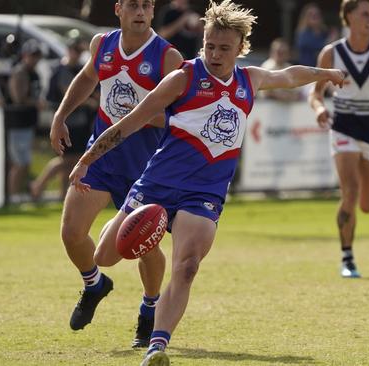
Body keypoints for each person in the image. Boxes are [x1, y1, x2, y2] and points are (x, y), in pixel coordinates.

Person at [68, 1, 345, 364]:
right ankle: (122, 223)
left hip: (204, 193)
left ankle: (157, 346)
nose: (215, 54)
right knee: (106, 255)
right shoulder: (183, 77)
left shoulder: (250, 79)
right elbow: (132, 121)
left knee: (187, 267)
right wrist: (86, 160)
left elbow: (289, 76)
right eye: (210, 45)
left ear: (240, 49)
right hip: (156, 184)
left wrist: (325, 73)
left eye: (224, 48)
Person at [49, 0, 184, 348]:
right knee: (71, 232)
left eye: (147, 5)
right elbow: (87, 77)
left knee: (144, 244)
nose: (140, 12)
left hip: (146, 164)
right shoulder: (102, 45)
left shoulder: (168, 58)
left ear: (153, 12)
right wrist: (61, 115)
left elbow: (179, 116)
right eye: (133, 5)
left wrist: (136, 116)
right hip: (102, 156)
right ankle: (94, 284)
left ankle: (150, 307)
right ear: (118, 9)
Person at [309, 0, 369, 278]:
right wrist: (319, 109)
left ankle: (349, 246)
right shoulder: (332, 53)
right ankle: (347, 257)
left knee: (367, 204)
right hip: (344, 128)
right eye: (365, 13)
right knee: (349, 190)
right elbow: (316, 93)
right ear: (348, 16)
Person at [31, 37, 96, 201]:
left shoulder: (76, 68)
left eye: (80, 51)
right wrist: (91, 102)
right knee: (67, 160)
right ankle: (38, 185)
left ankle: (62, 194)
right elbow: (71, 92)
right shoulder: (63, 70)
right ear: (69, 50)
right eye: (75, 50)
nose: (77, 54)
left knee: (72, 161)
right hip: (68, 122)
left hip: (79, 122)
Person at [5, 39, 44, 201]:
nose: (34, 59)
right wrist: (36, 103)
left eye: (37, 56)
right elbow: (18, 98)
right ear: (24, 55)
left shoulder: (35, 73)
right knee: (18, 163)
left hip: (28, 122)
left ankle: (20, 194)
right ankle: (13, 196)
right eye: (32, 56)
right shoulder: (20, 72)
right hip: (17, 123)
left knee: (25, 162)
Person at [294, 3, 337, 67]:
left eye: (317, 14)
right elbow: (317, 47)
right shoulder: (303, 34)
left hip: (323, 70)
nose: (315, 16)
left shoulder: (325, 33)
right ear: (306, 17)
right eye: (311, 14)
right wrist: (330, 41)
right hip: (307, 71)